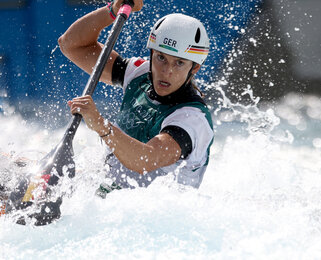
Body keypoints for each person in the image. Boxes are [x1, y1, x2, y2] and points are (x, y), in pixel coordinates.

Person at [58, 0, 214, 191]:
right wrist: (112, 11)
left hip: (152, 213)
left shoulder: (192, 119)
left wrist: (101, 125)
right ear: (151, 53)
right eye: (161, 57)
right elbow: (71, 45)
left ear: (194, 68)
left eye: (179, 63)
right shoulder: (138, 74)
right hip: (109, 191)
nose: (167, 71)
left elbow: (146, 160)